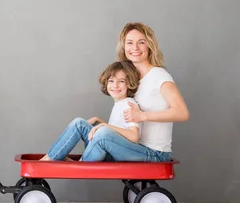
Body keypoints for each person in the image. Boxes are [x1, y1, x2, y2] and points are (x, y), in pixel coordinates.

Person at [41, 22, 189, 162]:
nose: (135, 48)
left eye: (141, 42)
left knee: (104, 133)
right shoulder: (131, 78)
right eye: (130, 42)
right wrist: (101, 122)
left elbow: (182, 112)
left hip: (154, 152)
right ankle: (48, 160)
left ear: (150, 46)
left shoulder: (158, 75)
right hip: (131, 147)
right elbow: (125, 125)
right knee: (80, 123)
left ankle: (78, 164)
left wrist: (142, 116)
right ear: (124, 47)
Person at [41, 60, 143, 161]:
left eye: (121, 81)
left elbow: (134, 136)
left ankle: (48, 161)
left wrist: (105, 126)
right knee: (79, 123)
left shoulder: (128, 105)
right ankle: (52, 159)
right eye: (111, 81)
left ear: (129, 83)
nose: (115, 85)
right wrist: (98, 120)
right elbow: (115, 132)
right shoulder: (120, 104)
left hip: (114, 154)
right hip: (108, 148)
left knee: (79, 123)